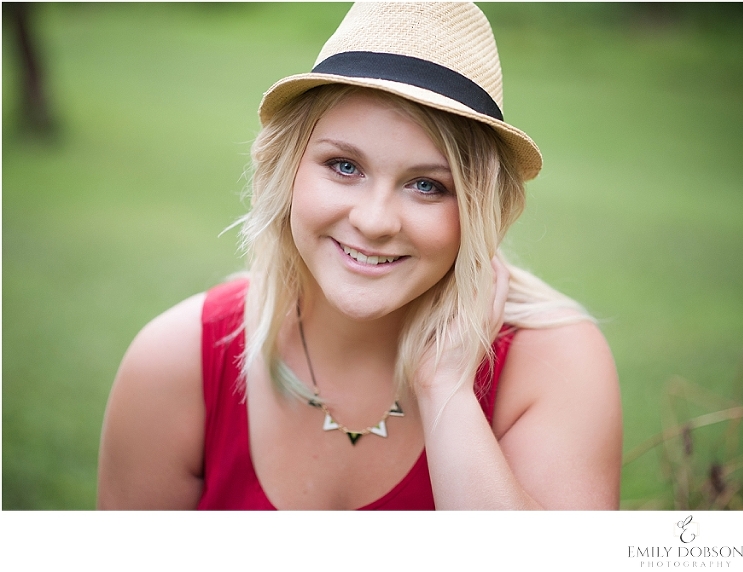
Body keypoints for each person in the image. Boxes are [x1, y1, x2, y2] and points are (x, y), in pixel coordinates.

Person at [97, 2, 622, 510]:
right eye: (344, 166)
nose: (374, 221)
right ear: (286, 170)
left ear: (479, 210)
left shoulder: (554, 362)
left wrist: (446, 390)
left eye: (427, 185)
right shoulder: (176, 361)